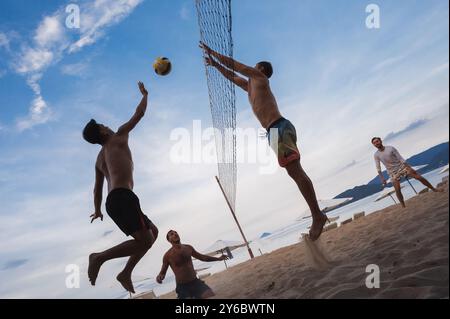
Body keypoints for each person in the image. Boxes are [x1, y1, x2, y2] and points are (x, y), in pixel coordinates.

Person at [199, 42, 327, 241]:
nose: (251, 69)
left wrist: (213, 52)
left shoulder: (259, 77)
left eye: (254, 67)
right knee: (293, 172)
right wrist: (215, 65)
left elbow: (236, 66)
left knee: (296, 171)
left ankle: (317, 215)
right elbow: (232, 76)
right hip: (273, 132)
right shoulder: (250, 85)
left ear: (260, 70)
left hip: (279, 126)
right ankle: (317, 214)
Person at [83, 82, 158, 294]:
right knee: (146, 240)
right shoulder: (118, 135)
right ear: (101, 131)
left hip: (114, 201)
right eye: (103, 125)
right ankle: (99, 257)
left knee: (153, 232)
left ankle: (125, 273)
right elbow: (139, 114)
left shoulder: (98, 159)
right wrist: (145, 95)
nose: (106, 125)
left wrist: (97, 210)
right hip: (123, 197)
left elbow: (97, 190)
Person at [372, 137, 442, 208]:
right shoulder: (376, 155)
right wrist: (382, 178)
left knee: (419, 177)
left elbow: (400, 158)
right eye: (374, 143)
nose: (376, 143)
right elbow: (378, 167)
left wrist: (409, 168)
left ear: (380, 141)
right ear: (374, 145)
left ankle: (433, 189)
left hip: (402, 167)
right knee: (397, 189)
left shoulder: (390, 148)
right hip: (392, 172)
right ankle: (403, 205)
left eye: (377, 141)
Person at [156, 230, 228, 299]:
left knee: (210, 295)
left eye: (176, 232)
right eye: (171, 234)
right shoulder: (167, 255)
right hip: (182, 286)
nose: (175, 234)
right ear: (169, 240)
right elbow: (162, 273)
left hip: (195, 282)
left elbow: (202, 257)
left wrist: (218, 258)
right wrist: (159, 277)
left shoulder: (188, 248)